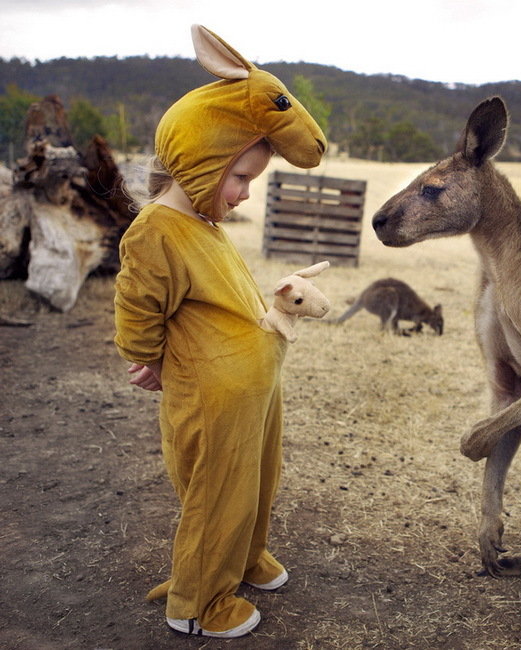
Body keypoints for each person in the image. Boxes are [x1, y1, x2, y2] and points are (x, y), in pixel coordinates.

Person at [113, 25, 327, 638]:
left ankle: (244, 557)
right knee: (217, 495)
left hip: (253, 391)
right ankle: (199, 604)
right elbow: (138, 308)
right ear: (204, 162)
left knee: (257, 479)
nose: (244, 194)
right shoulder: (156, 229)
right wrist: (148, 360)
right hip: (212, 396)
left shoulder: (203, 223)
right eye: (240, 179)